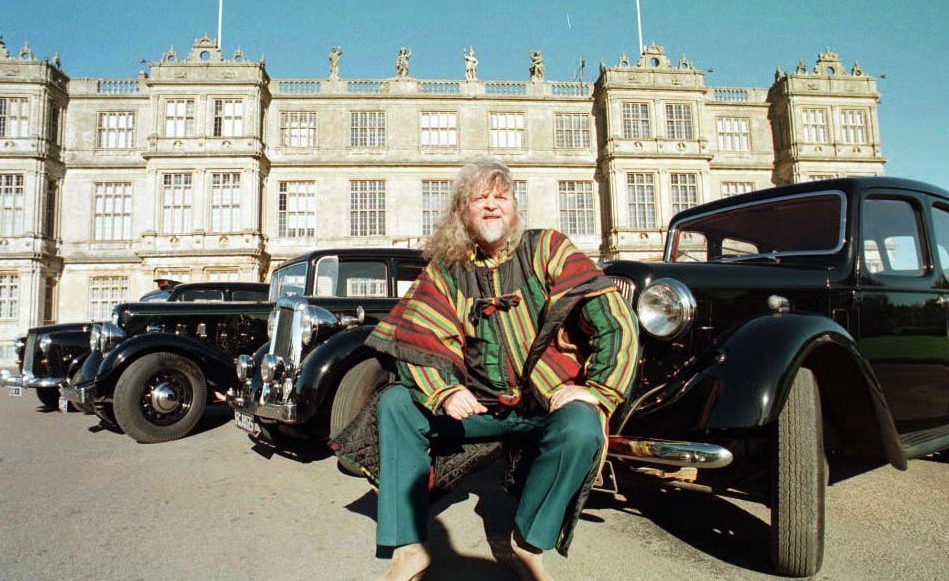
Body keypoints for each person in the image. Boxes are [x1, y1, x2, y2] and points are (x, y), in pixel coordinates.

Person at [341, 157, 638, 580]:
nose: (492, 205)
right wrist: (444, 390)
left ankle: (528, 539)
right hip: (474, 410)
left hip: (540, 406)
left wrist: (597, 390)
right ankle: (408, 547)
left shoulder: (548, 248)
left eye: (501, 196)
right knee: (395, 404)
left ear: (514, 206)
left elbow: (613, 318)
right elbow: (414, 336)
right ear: (463, 212)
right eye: (481, 198)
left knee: (583, 426)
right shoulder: (447, 270)